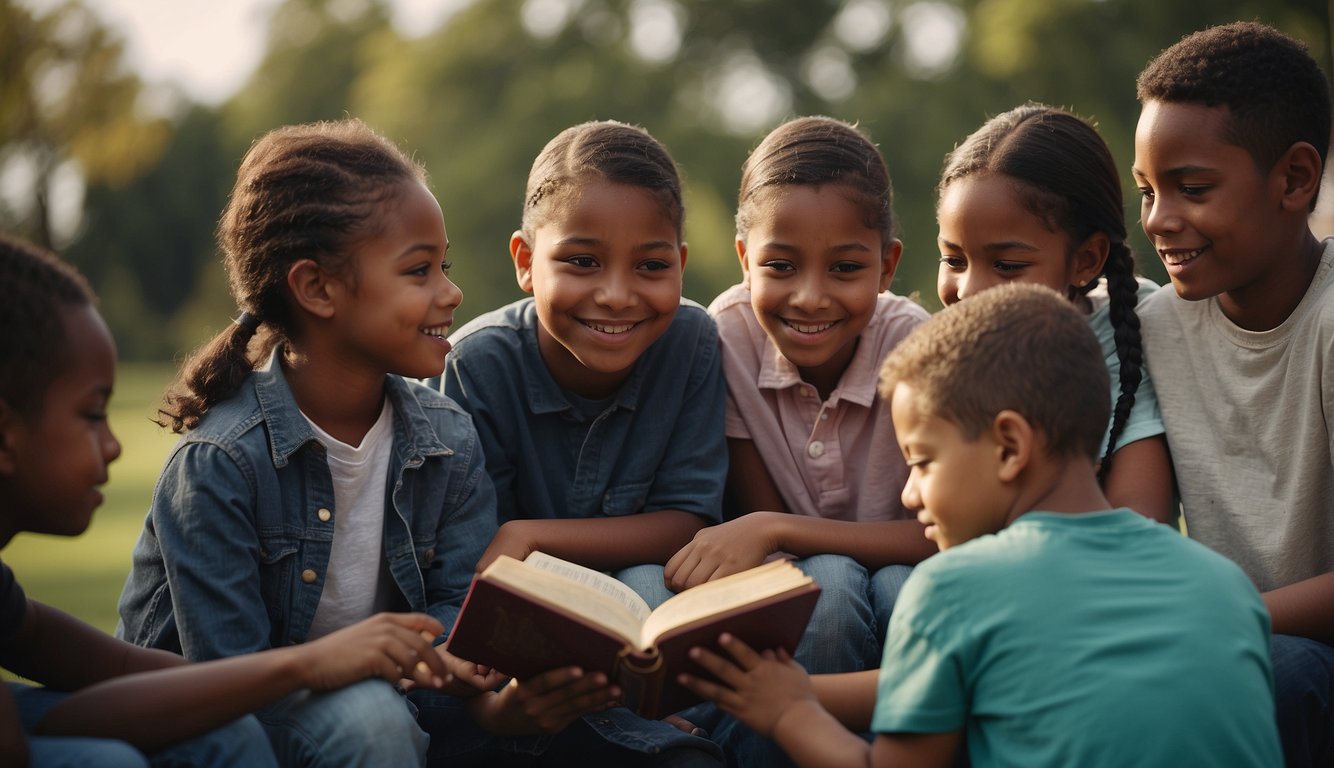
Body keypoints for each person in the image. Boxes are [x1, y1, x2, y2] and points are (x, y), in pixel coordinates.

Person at [679, 283, 1283, 767]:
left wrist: (790, 715)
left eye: (921, 461)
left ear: (1009, 447)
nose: (910, 494)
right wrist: (783, 686)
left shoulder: (955, 588)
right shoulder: (1221, 585)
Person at [114, 118, 563, 767]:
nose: (452, 292)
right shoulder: (220, 463)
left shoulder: (446, 434)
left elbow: (456, 612)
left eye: (445, 266)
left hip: (396, 703)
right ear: (317, 288)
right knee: (373, 721)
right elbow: (227, 678)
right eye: (419, 271)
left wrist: (471, 668)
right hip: (224, 727)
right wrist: (396, 672)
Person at [0, 234, 471, 767]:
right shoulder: (223, 456)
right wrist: (310, 664)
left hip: (282, 701)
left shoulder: (448, 430)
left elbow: (97, 665)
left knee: (224, 738)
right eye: (91, 415)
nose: (113, 444)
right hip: (282, 702)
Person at [435, 120, 725, 765]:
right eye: (581, 261)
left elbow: (689, 519)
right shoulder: (478, 365)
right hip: (521, 635)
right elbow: (468, 563)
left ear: (680, 263)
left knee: (652, 584)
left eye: (651, 265)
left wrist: (531, 535)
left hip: (643, 618)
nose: (617, 295)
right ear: (524, 262)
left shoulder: (692, 342)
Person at [661, 116, 931, 765]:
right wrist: (774, 533)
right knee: (828, 589)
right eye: (780, 265)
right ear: (743, 259)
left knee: (903, 588)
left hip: (902, 569)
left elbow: (935, 535)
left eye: (845, 268)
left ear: (888, 264)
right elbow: (757, 527)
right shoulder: (724, 336)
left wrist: (779, 529)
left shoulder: (918, 348)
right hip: (789, 593)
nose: (811, 298)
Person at [1132, 21, 1334, 766]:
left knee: (1277, 673)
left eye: (1193, 188)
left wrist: (1214, 622)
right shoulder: (1153, 325)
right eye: (1147, 191)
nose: (1157, 219)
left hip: (1292, 667)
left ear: (1294, 179)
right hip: (1209, 654)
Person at [934, 103, 1174, 523]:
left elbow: (1140, 524)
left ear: (1086, 260)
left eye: (1007, 266)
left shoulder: (1125, 334)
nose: (968, 291)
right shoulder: (941, 359)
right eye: (954, 261)